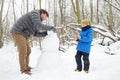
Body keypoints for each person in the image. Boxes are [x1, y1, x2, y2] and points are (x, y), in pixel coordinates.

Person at [10, 9, 56, 75]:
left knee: (28, 50)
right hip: (17, 32)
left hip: (23, 35)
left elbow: (36, 34)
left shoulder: (37, 22)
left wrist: (46, 33)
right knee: (23, 49)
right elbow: (39, 25)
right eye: (46, 16)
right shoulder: (35, 13)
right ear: (43, 13)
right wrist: (51, 28)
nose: (45, 19)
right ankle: (23, 70)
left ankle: (26, 66)